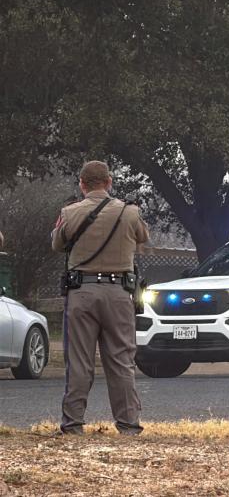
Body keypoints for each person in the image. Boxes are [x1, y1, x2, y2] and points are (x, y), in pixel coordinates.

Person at [51, 160, 150, 435]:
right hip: (119, 293)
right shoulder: (129, 212)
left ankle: (72, 424)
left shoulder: (70, 213)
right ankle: (128, 424)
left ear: (82, 184)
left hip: (81, 294)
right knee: (120, 359)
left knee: (79, 360)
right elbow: (143, 236)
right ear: (109, 182)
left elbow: (56, 244)